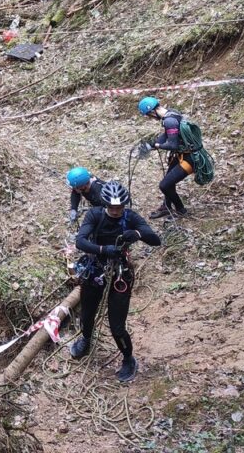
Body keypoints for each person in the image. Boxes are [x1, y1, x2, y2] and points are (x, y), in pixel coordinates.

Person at [72, 181, 161, 383]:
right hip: (95, 270)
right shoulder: (95, 214)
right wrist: (103, 250)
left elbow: (155, 240)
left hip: (120, 274)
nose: (115, 211)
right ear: (105, 204)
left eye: (119, 207)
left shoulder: (130, 217)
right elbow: (81, 240)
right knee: (87, 313)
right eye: (112, 207)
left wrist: (137, 234)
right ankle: (85, 339)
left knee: (117, 326)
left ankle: (128, 358)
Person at [138, 96, 192, 219]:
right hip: (182, 154)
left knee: (164, 185)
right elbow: (168, 135)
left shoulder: (169, 121)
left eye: (149, 116)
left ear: (152, 112)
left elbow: (173, 144)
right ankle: (166, 206)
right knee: (169, 180)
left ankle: (181, 210)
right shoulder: (172, 113)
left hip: (190, 158)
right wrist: (152, 143)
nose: (151, 118)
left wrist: (157, 145)